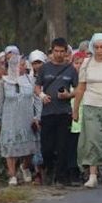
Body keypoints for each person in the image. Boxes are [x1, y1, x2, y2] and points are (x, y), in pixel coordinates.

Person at [74, 33, 102, 188]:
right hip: (91, 105)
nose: (100, 50)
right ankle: (92, 175)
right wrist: (75, 110)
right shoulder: (87, 63)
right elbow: (81, 87)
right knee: (92, 139)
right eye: (96, 47)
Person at [0, 53, 41, 186]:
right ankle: (12, 174)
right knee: (10, 147)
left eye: (24, 65)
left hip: (27, 118)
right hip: (10, 120)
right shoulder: (4, 82)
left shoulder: (30, 81)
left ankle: (25, 167)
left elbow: (37, 100)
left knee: (30, 147)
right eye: (21, 65)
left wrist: (37, 117)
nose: (24, 67)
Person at [34, 38, 77, 187]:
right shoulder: (44, 68)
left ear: (66, 52)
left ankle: (61, 177)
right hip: (47, 112)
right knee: (47, 147)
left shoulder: (71, 69)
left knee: (62, 146)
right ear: (52, 51)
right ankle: (49, 169)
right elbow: (37, 86)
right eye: (56, 51)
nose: (58, 54)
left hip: (64, 112)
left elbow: (78, 89)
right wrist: (42, 95)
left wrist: (68, 95)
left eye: (61, 51)